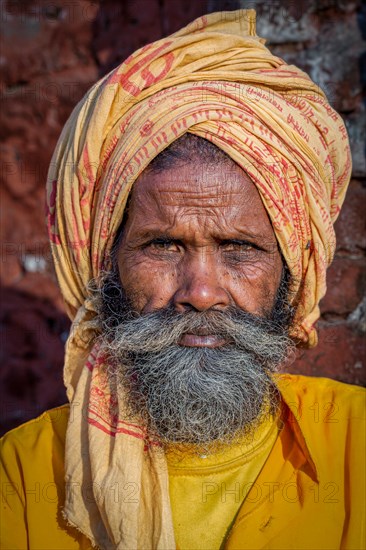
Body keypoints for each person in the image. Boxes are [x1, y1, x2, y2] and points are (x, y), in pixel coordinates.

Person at [1, 9, 364, 550]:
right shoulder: (24, 474)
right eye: (163, 246)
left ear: (294, 272)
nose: (199, 292)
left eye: (239, 249)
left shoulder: (356, 444)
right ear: (108, 267)